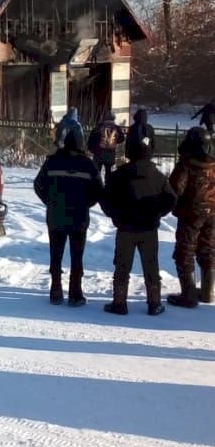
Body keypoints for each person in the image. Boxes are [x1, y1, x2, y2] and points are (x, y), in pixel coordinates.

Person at [102, 140, 175, 316]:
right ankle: (154, 303)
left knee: (122, 266)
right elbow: (171, 199)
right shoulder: (158, 176)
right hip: (149, 229)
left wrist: (115, 216)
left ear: (130, 154)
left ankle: (119, 303)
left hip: (125, 228)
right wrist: (158, 213)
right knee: (151, 266)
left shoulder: (119, 175)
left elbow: (104, 198)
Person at [34, 129, 104, 305]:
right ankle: (75, 293)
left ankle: (55, 291)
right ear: (81, 144)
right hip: (79, 218)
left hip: (55, 217)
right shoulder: (88, 164)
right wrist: (86, 203)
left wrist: (49, 201)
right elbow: (98, 190)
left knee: (55, 255)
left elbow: (38, 185)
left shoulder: (52, 162)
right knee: (76, 256)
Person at [167, 125, 215, 307]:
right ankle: (208, 293)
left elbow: (175, 190)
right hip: (213, 213)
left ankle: (188, 295)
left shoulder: (186, 165)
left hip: (191, 214)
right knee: (209, 249)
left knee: (185, 251)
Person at [87, 111, 125, 183]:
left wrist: (92, 150)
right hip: (110, 153)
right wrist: (114, 141)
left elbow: (92, 139)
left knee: (97, 172)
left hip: (99, 153)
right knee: (108, 172)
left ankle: (97, 187)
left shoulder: (99, 127)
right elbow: (122, 139)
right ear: (113, 118)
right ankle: (108, 187)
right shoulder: (116, 128)